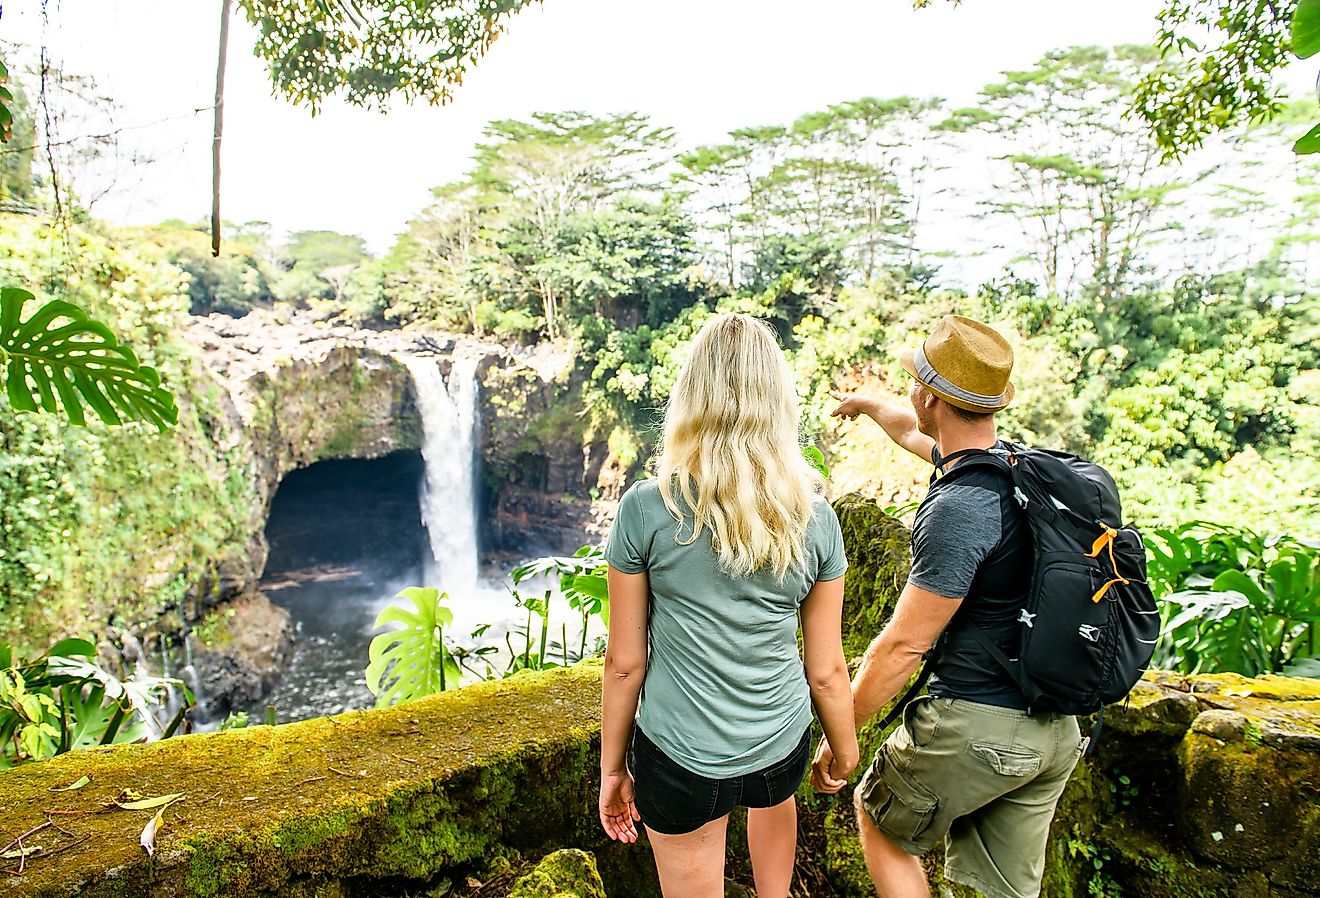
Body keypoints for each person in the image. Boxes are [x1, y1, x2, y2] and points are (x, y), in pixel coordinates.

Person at [813, 315, 1085, 898]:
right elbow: (914, 433)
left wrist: (843, 739)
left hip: (981, 725)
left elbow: (904, 646)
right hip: (1055, 730)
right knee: (1002, 890)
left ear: (931, 395)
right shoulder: (1015, 470)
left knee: (881, 817)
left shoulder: (958, 509)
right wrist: (867, 403)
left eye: (916, 382)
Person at [598, 313, 860, 898]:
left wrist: (612, 769)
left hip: (681, 756)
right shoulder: (814, 519)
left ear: (690, 397)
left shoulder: (646, 507)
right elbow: (826, 670)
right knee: (774, 802)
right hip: (779, 748)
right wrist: (843, 753)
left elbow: (624, 664)